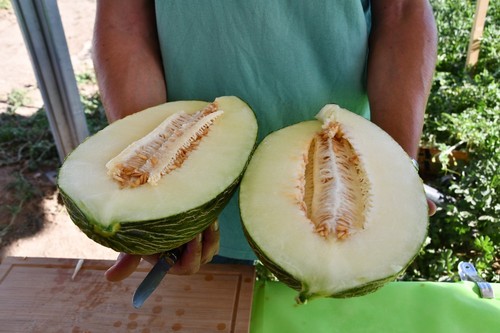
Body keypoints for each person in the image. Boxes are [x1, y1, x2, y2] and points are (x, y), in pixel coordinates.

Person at [92, 0, 438, 281]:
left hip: (352, 183)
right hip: (197, 214)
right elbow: (125, 22)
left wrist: (396, 164)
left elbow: (402, 12)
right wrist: (149, 207)